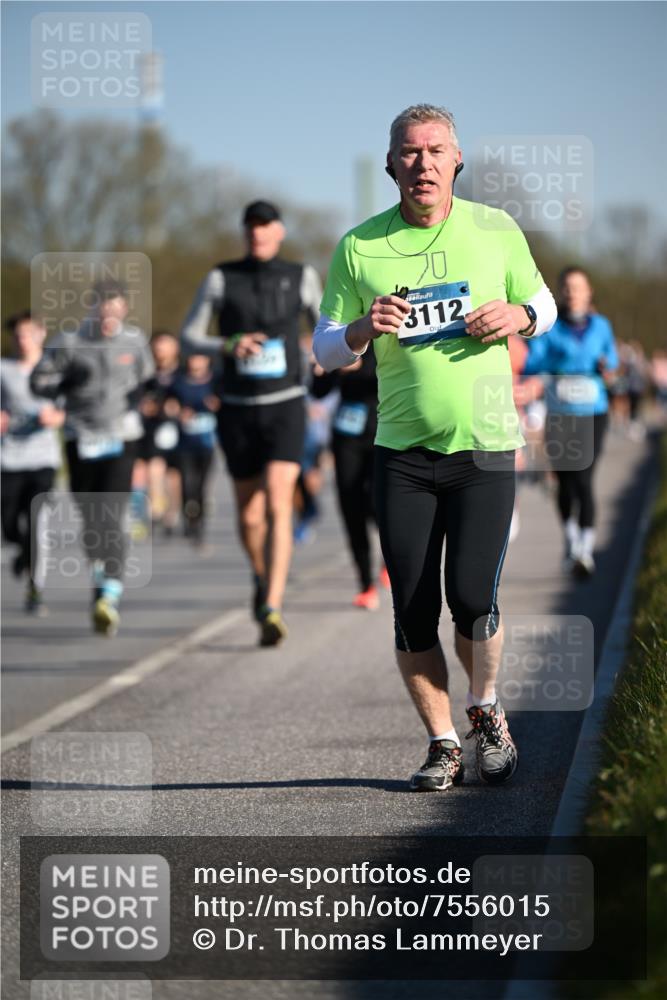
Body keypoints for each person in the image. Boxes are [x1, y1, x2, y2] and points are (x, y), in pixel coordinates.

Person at [314, 104, 557, 792]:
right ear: (391, 163)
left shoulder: (494, 228)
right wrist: (362, 327)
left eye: (434, 150)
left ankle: (484, 709)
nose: (421, 163)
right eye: (408, 152)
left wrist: (519, 316)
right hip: (401, 455)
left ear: (456, 161)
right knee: (413, 611)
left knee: (473, 599)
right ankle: (443, 742)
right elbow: (323, 348)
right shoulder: (359, 246)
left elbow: (543, 303)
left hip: (482, 449)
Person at [181, 200, 322, 646]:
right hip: (238, 408)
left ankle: (273, 604)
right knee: (249, 513)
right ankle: (262, 578)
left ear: (279, 231)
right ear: (244, 233)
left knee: (280, 503)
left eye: (266, 227)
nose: (258, 235)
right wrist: (229, 343)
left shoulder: (302, 276)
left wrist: (327, 356)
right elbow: (189, 338)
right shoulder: (221, 277)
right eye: (251, 228)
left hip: (285, 405)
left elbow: (325, 328)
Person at [30, 279, 154, 636]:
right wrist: (64, 385)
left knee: (112, 513)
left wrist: (144, 400)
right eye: (103, 307)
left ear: (125, 308)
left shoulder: (134, 341)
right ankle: (99, 577)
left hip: (121, 436)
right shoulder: (69, 341)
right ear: (92, 307)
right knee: (90, 517)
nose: (108, 315)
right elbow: (40, 381)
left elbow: (147, 381)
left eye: (115, 308)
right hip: (80, 437)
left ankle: (110, 591)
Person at [523, 266, 618, 577]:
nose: (572, 292)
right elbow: (534, 360)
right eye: (566, 287)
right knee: (564, 480)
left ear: (589, 292)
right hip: (561, 412)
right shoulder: (551, 327)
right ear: (559, 291)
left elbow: (612, 362)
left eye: (578, 287)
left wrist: (608, 370)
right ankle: (570, 537)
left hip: (594, 411)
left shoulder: (602, 326)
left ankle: (585, 551)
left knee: (585, 478)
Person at [311, 351, 390, 608]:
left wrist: (361, 368)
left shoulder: (384, 338)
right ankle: (365, 585)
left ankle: (390, 560)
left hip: (385, 433)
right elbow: (317, 391)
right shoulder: (340, 342)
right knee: (350, 506)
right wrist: (333, 370)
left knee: (379, 506)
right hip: (347, 437)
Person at [1, 311, 64, 615]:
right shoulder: (3, 370)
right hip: (8, 459)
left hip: (43, 459)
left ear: (41, 333)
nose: (22, 339)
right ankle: (23, 554)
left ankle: (35, 590)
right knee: (10, 526)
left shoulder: (54, 370)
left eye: (28, 332)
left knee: (38, 523)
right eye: (17, 334)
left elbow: (71, 403)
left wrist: (57, 416)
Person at [167, 353, 220, 547]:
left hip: (207, 444)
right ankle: (189, 521)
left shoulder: (216, 381)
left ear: (207, 360)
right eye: (192, 357)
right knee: (187, 485)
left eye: (199, 357)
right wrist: (178, 412)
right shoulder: (179, 382)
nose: (195, 362)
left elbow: (225, 404)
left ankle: (200, 524)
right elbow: (168, 404)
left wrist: (216, 406)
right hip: (184, 443)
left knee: (201, 487)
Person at [135, 331, 182, 536]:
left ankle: (173, 514)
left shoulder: (182, 373)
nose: (161, 350)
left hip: (181, 431)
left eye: (166, 345)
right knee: (154, 469)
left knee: (174, 475)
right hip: (153, 429)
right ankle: (155, 511)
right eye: (157, 346)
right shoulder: (146, 373)